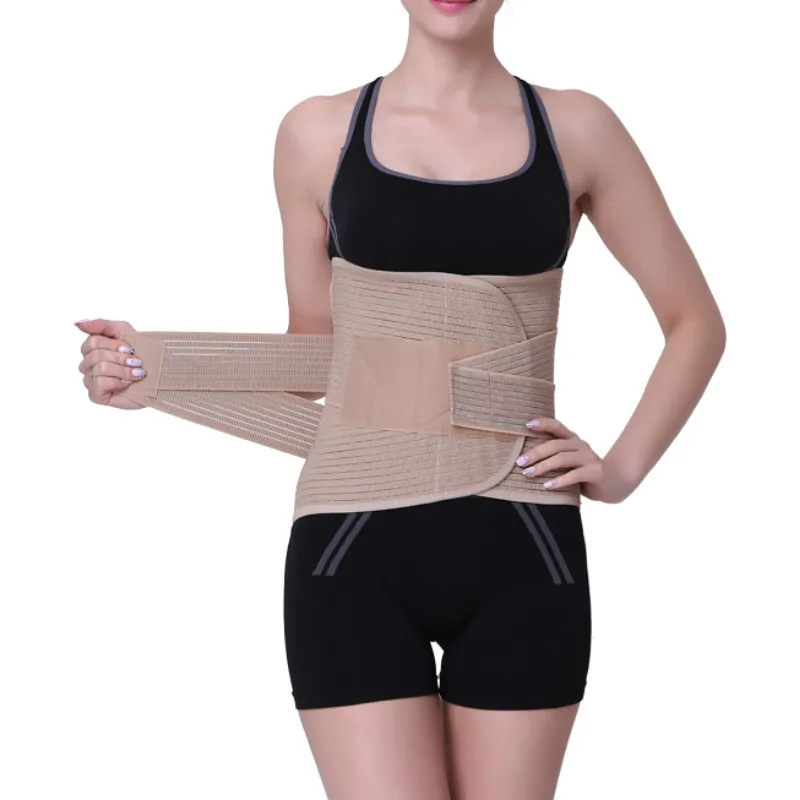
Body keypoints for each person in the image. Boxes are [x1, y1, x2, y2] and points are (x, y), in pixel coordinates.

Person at [74, 0, 726, 797]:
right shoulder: (316, 134)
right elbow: (318, 358)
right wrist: (158, 369)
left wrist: (620, 472)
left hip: (524, 539)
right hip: (353, 542)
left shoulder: (579, 129)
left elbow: (695, 321)